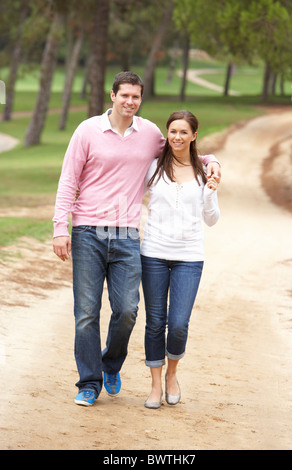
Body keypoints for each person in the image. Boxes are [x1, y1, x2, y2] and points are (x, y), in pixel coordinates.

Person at [52, 72, 221, 407]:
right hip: (87, 231)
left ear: (140, 100)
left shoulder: (149, 134)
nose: (130, 102)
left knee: (128, 310)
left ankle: (110, 363)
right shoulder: (87, 130)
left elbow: (181, 150)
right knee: (86, 312)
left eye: (136, 97)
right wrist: (61, 227)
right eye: (124, 95)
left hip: (128, 234)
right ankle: (89, 382)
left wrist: (211, 161)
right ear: (111, 95)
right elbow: (68, 178)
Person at [141, 110, 220, 409]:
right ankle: (154, 385)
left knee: (178, 325)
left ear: (194, 135)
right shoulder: (152, 168)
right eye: (172, 131)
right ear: (167, 134)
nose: (177, 137)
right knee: (154, 322)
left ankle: (172, 375)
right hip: (153, 254)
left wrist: (211, 193)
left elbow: (211, 220)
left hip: (189, 256)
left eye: (183, 132)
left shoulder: (204, 172)